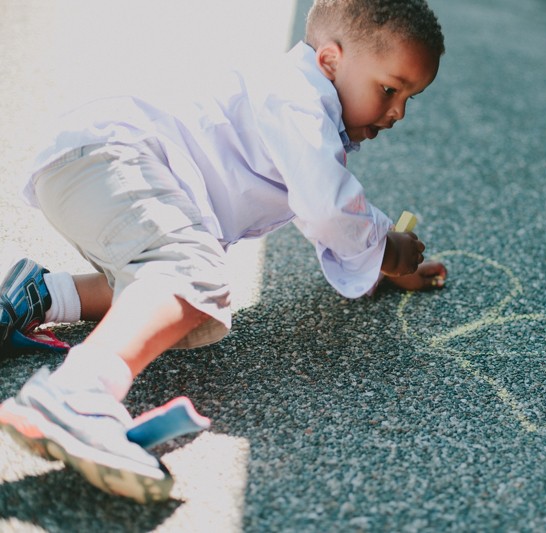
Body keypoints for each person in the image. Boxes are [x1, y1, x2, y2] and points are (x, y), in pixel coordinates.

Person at [0, 0, 446, 503]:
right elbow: (328, 208)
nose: (398, 112)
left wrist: (372, 260)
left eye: (411, 97)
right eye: (390, 89)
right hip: (117, 156)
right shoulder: (298, 99)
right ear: (330, 61)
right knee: (190, 273)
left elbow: (324, 210)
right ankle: (77, 395)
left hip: (92, 161)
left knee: (160, 283)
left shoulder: (294, 100)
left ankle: (38, 294)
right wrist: (385, 248)